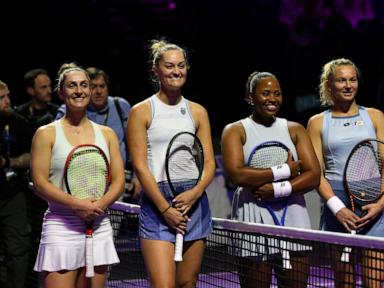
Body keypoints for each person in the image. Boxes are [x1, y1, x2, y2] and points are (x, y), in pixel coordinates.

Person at [127, 39, 215, 287]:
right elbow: (141, 167)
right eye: (169, 66)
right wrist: (165, 209)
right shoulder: (141, 111)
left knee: (187, 283)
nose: (176, 71)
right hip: (157, 203)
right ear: (156, 70)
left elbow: (209, 164)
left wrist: (194, 193)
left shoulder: (197, 111)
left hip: (193, 201)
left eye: (181, 65)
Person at [221, 71, 320, 288]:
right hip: (252, 215)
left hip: (293, 215)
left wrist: (276, 190)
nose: (272, 98)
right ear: (250, 96)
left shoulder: (294, 129)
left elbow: (313, 177)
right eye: (265, 93)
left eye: (277, 93)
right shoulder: (235, 131)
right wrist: (284, 170)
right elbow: (237, 174)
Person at [30, 63, 125, 288]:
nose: (79, 90)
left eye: (84, 85)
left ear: (90, 91)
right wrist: (77, 204)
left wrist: (99, 205)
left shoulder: (107, 134)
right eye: (72, 86)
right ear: (61, 92)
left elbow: (119, 181)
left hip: (98, 224)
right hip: (61, 227)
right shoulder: (46, 134)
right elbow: (40, 184)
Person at [307, 58, 384, 288]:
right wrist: (337, 209)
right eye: (341, 80)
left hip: (376, 203)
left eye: (352, 79)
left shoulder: (375, 116)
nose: (348, 85)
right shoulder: (317, 122)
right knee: (344, 282)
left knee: (375, 281)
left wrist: (381, 202)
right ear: (329, 84)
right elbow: (316, 174)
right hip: (337, 204)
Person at [55, 67, 141, 201]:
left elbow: (136, 143)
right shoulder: (72, 110)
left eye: (102, 86)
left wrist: (137, 176)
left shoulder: (121, 106)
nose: (98, 91)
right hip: (81, 179)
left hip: (118, 180)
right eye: (93, 87)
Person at [16, 68, 59, 288]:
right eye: (43, 87)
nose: (48, 90)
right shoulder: (18, 116)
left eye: (50, 86)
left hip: (52, 191)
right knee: (27, 240)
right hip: (25, 191)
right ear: (30, 90)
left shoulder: (58, 113)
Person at [0, 80, 31, 288]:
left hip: (12, 195)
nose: (8, 101)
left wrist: (9, 162)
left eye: (8, 95)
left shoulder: (19, 122)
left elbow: (33, 155)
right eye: (1, 98)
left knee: (18, 250)